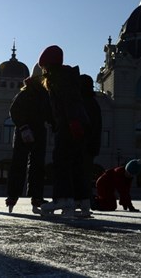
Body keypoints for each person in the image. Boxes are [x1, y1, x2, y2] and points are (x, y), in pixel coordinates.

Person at [36, 45, 90, 217]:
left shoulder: (59, 77)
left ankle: (63, 198)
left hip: (70, 124)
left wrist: (72, 121)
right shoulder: (67, 76)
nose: (43, 69)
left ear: (48, 64)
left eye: (43, 66)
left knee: (61, 161)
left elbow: (69, 101)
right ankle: (82, 201)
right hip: (74, 123)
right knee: (76, 163)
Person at [5, 65, 53, 214]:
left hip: (36, 131)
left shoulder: (44, 94)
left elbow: (49, 114)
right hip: (25, 132)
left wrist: (55, 123)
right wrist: (24, 127)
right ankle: (16, 196)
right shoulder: (27, 93)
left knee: (36, 165)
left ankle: (33, 197)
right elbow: (14, 111)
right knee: (22, 164)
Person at [74, 73, 102, 217]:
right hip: (90, 145)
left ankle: (81, 202)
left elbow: (85, 126)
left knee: (80, 174)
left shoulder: (83, 103)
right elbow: (97, 128)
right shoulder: (93, 103)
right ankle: (84, 202)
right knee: (84, 174)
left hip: (82, 145)